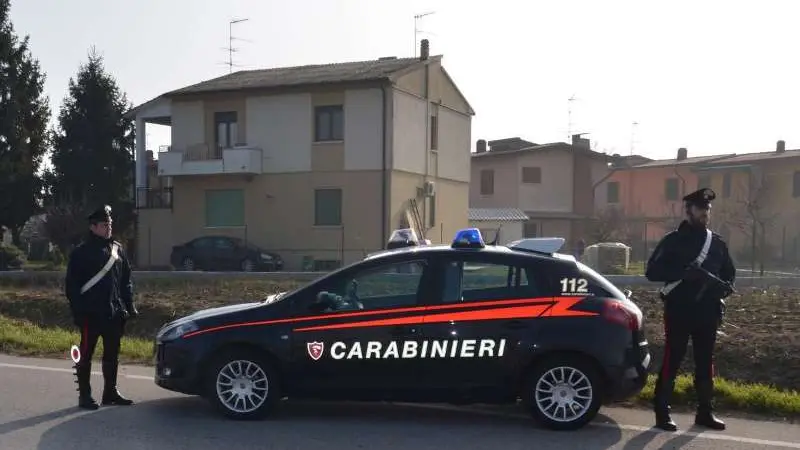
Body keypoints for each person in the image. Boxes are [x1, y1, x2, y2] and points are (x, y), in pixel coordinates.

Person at [645, 187, 735, 432]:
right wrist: (683, 274)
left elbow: (729, 274)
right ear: (689, 211)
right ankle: (662, 412)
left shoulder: (716, 242)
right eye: (700, 208)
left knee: (705, 362)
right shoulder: (673, 241)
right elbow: (652, 271)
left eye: (708, 209)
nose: (705, 212)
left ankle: (705, 412)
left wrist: (723, 288)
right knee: (672, 359)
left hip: (707, 311)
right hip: (679, 309)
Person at [65, 204, 139, 409]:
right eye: (104, 224)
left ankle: (110, 392)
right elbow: (72, 286)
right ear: (93, 227)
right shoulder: (81, 253)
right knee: (86, 354)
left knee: (112, 354)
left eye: (110, 224)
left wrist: (129, 305)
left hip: (114, 312)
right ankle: (85, 396)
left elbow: (126, 281)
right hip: (91, 313)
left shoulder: (118, 249)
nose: (108, 227)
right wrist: (78, 312)